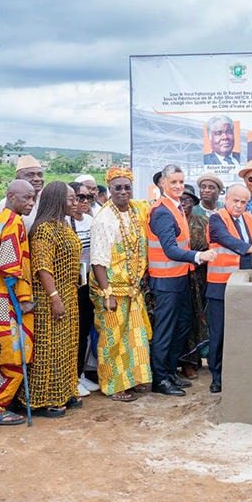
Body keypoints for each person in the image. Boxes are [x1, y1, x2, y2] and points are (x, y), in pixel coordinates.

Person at [147, 164, 216, 396]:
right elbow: (169, 249)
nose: (178, 186)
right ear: (162, 184)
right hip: (166, 281)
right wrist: (198, 256)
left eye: (181, 182)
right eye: (173, 182)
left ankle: (168, 372)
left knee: (183, 324)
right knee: (164, 331)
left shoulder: (175, 208)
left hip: (179, 277)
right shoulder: (162, 211)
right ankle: (161, 380)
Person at [90, 168, 153, 402]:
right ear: (109, 189)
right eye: (118, 188)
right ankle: (112, 385)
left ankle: (134, 379)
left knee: (134, 337)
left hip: (133, 289)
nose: (123, 191)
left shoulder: (137, 209)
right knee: (112, 339)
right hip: (111, 290)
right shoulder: (104, 219)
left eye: (127, 187)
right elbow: (97, 261)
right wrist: (107, 294)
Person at [0, 180, 37, 426]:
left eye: (33, 198)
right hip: (5, 298)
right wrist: (24, 300)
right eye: (26, 198)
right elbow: (10, 266)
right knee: (15, 354)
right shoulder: (14, 222)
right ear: (11, 197)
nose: (31, 203)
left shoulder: (0, 218)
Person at [23, 182, 82, 417]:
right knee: (49, 347)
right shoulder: (44, 229)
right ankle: (44, 398)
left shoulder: (64, 224)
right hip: (50, 296)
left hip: (67, 291)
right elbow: (42, 267)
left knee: (66, 345)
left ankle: (64, 390)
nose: (75, 202)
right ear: (58, 200)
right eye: (71, 199)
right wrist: (54, 298)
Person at [206, 184, 252, 393]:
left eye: (243, 202)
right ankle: (217, 377)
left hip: (248, 285)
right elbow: (229, 241)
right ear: (226, 198)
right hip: (221, 286)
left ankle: (242, 373)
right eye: (235, 200)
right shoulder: (216, 218)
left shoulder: (251, 219)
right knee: (219, 334)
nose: (239, 205)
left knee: (246, 331)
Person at [68, 182, 98, 397]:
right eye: (80, 197)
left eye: (88, 197)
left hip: (88, 282)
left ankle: (80, 374)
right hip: (71, 284)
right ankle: (72, 378)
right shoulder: (64, 222)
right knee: (74, 333)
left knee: (85, 331)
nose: (85, 201)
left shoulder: (89, 220)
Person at [177, 184, 209, 378]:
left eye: (188, 200)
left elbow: (210, 247)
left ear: (194, 203)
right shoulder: (170, 221)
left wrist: (198, 260)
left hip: (198, 279)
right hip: (174, 277)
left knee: (195, 319)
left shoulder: (203, 221)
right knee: (176, 320)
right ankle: (172, 362)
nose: (184, 203)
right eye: (181, 199)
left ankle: (190, 363)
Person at [0, 155, 44, 231]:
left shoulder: (42, 202)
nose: (37, 179)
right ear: (17, 179)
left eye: (40, 175)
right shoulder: (5, 205)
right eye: (30, 175)